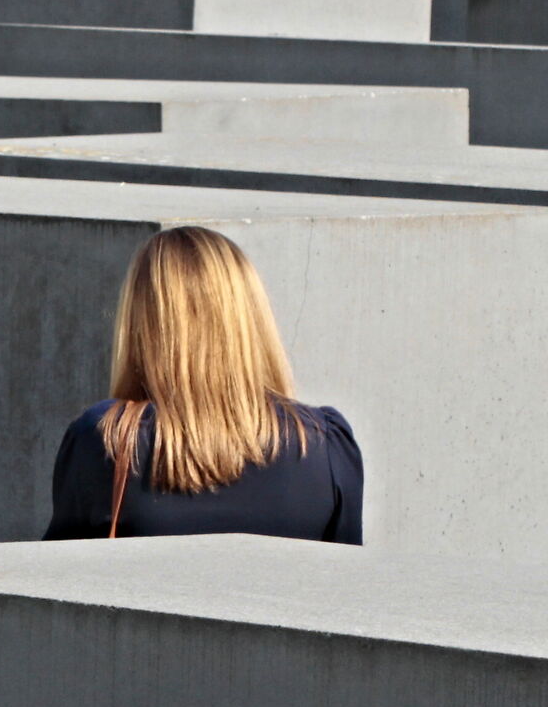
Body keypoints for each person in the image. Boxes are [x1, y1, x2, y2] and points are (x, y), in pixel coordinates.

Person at [45, 225, 361, 542]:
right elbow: (347, 586)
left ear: (142, 325)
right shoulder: (326, 444)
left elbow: (54, 578)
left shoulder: (105, 440)